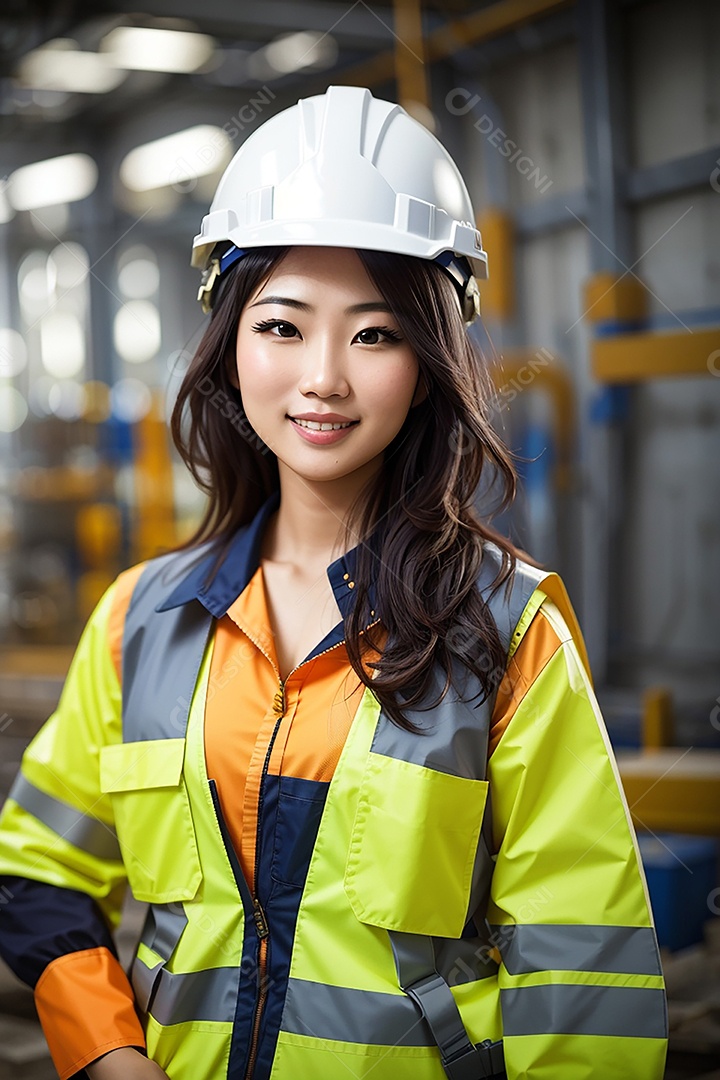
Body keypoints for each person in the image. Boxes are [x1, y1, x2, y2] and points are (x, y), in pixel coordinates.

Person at [0, 86, 667, 1080]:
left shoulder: (508, 629)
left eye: (375, 333)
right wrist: (107, 1054)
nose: (324, 377)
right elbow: (39, 867)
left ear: (431, 361)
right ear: (227, 343)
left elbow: (588, 972)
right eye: (282, 326)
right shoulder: (142, 621)